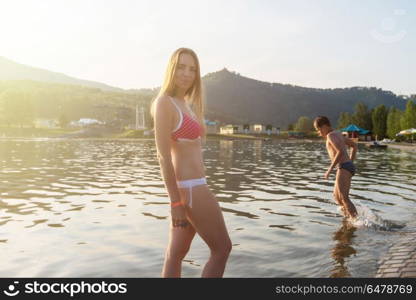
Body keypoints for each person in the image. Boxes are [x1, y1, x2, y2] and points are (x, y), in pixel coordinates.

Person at [151, 48, 232, 277]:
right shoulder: (164, 103)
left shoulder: (183, 102)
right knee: (222, 249)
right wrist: (175, 203)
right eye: (181, 67)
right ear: (171, 69)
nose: (187, 73)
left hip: (190, 189)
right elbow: (163, 156)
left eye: (192, 69)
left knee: (174, 255)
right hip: (192, 190)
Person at [313, 116, 358, 218]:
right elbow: (354, 145)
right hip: (347, 166)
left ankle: (357, 221)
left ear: (324, 126)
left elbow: (340, 152)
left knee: (344, 197)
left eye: (318, 129)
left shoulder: (330, 136)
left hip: (344, 166)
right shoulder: (338, 134)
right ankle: (348, 218)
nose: (319, 133)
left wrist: (330, 169)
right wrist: (350, 162)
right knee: (337, 197)